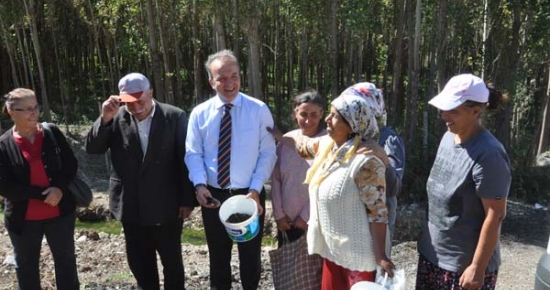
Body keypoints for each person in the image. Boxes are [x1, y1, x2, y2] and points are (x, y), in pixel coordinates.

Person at [275, 85, 396, 289]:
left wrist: (381, 255)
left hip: (358, 257)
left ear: (351, 125)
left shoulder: (366, 162)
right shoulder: (328, 147)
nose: (327, 120)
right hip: (333, 250)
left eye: (333, 116)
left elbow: (377, 213)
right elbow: (301, 145)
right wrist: (276, 135)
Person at [85, 73, 196, 290]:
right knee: (140, 263)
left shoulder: (174, 116)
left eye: (141, 102)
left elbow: (185, 159)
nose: (136, 108)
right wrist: (104, 118)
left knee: (172, 263)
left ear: (151, 93)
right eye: (130, 104)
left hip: (167, 204)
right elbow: (93, 148)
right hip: (131, 204)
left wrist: (187, 199)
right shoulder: (115, 118)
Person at [185, 49, 277, 290]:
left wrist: (256, 190)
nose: (229, 83)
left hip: (249, 194)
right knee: (218, 257)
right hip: (213, 195)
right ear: (211, 81)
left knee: (250, 258)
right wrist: (199, 185)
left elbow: (268, 153)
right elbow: (193, 153)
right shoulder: (199, 114)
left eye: (234, 76)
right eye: (222, 78)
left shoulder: (258, 110)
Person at [416, 73, 510, 290]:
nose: (444, 116)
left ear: (476, 111)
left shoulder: (489, 154)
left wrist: (477, 267)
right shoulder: (449, 137)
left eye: (453, 111)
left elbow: (495, 215)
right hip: (433, 256)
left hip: (462, 269)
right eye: (443, 109)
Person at [0, 88, 79, 289]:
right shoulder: (3, 144)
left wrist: (59, 189)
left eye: (35, 107)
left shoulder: (51, 132)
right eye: (26, 109)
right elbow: (5, 187)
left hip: (60, 215)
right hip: (23, 219)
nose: (33, 113)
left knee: (66, 264)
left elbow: (71, 164)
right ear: (11, 112)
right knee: (26, 268)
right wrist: (42, 195)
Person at [349, 82, 406, 243]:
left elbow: (394, 186)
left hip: (379, 214)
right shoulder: (351, 137)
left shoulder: (388, 138)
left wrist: (382, 157)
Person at [271, 91, 326, 247]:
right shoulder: (285, 140)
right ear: (295, 113)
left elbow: (323, 186)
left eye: (314, 115)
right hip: (285, 223)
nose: (308, 120)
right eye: (303, 114)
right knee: (287, 269)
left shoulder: (328, 142)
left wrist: (306, 217)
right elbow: (276, 180)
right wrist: (279, 215)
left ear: (322, 114)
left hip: (316, 221)